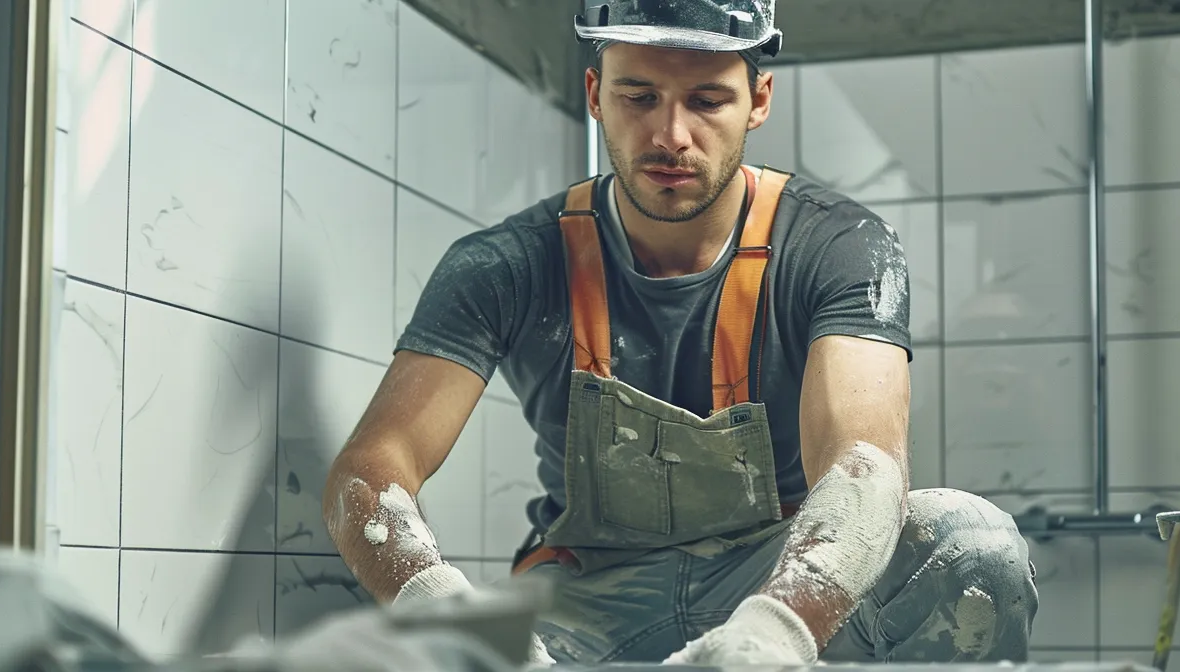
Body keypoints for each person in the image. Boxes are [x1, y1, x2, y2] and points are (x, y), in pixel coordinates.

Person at [322, 0, 1038, 665]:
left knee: (969, 545)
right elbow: (372, 469)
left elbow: (865, 463)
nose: (670, 135)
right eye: (639, 98)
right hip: (587, 601)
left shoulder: (840, 245)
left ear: (758, 101)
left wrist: (776, 631)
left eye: (706, 100)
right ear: (596, 93)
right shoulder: (502, 266)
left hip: (783, 577)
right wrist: (442, 617)